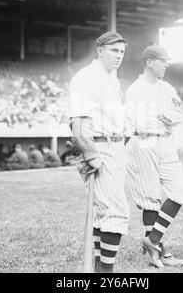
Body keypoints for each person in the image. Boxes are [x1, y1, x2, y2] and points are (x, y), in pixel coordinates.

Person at [69, 31, 129, 273]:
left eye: (122, 51)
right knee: (115, 212)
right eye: (114, 50)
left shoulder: (111, 79)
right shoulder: (88, 76)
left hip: (114, 146)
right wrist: (91, 154)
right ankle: (106, 273)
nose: (119, 56)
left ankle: (97, 269)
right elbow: (79, 122)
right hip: (100, 147)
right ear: (100, 50)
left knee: (104, 212)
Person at [124, 45, 183, 269]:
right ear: (150, 62)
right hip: (144, 142)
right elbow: (140, 124)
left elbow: (178, 114)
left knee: (180, 191)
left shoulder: (167, 87)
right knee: (150, 198)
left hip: (165, 143)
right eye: (163, 61)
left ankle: (152, 241)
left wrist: (162, 117)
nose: (167, 65)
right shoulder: (135, 90)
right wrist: (162, 118)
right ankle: (160, 253)